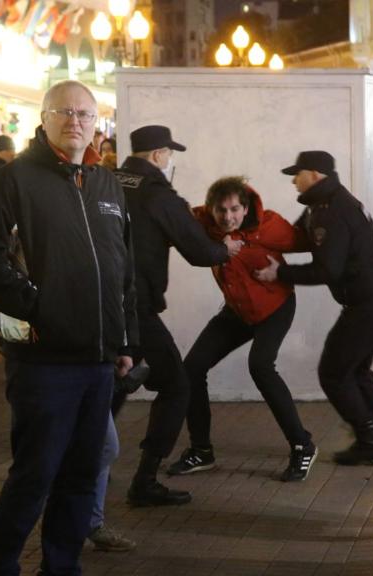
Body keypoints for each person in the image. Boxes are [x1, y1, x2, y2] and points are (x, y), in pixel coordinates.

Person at [0, 79, 137, 576]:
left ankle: (61, 567)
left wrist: (125, 339)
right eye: (64, 112)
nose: (75, 122)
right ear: (43, 119)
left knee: (82, 477)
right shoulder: (15, 178)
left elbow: (124, 268)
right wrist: (38, 308)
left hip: (98, 360)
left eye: (85, 114)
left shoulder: (106, 184)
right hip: (43, 362)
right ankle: (1, 567)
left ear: (97, 124)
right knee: (35, 475)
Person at [115, 125, 240, 507]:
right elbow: (198, 250)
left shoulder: (106, 180)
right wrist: (227, 249)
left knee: (111, 385)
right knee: (176, 384)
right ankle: (146, 478)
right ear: (157, 155)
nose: (170, 161)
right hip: (137, 306)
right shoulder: (158, 194)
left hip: (101, 303)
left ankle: (76, 463)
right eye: (169, 154)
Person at [169, 176, 317, 482]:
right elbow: (175, 217)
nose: (228, 217)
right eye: (220, 210)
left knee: (261, 366)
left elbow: (306, 239)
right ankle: (202, 450)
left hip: (275, 307)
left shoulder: (269, 225)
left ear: (245, 207)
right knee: (191, 369)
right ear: (211, 210)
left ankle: (303, 445)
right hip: (237, 312)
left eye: (234, 209)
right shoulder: (205, 225)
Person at [255, 151, 373, 466]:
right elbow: (295, 237)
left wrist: (281, 273)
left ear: (316, 175)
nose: (293, 180)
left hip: (367, 303)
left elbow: (328, 270)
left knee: (333, 373)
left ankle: (371, 439)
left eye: (298, 174)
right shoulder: (327, 204)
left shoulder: (330, 211)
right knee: (356, 371)